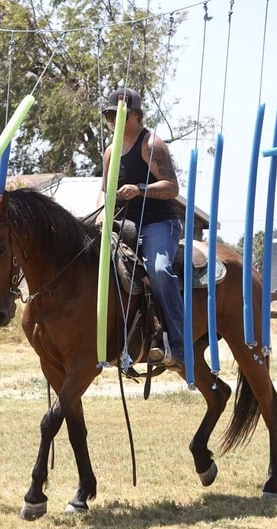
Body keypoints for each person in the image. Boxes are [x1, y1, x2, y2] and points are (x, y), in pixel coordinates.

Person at [97, 87, 185, 368]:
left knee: (158, 269)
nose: (114, 121)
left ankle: (180, 346)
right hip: (124, 224)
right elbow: (104, 191)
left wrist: (140, 189)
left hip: (159, 223)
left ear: (135, 115)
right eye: (110, 116)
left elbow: (172, 188)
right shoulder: (110, 152)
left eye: (120, 115)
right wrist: (101, 214)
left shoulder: (151, 144)